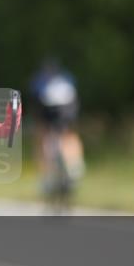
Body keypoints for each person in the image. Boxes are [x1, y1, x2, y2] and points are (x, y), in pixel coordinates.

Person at [30, 59, 85, 201]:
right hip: (68, 106)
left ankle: (46, 177)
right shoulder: (67, 77)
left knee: (42, 135)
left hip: (48, 107)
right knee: (69, 134)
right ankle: (75, 166)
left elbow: (35, 101)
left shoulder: (39, 79)